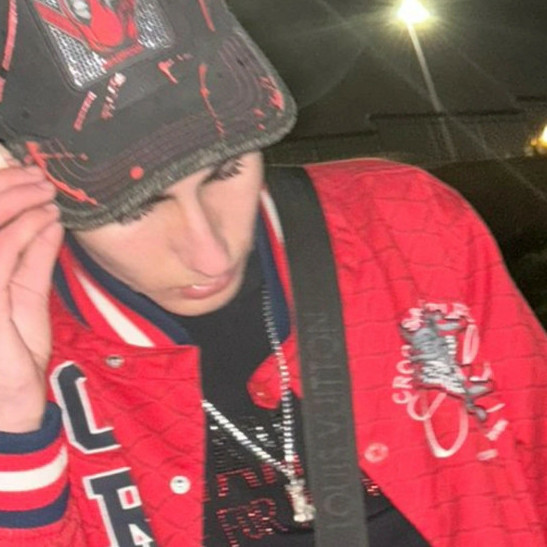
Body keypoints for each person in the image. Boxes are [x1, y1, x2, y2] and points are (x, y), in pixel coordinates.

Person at [0, 1, 545, 546]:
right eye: (133, 208)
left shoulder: (400, 222)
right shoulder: (32, 344)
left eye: (226, 169)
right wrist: (15, 424)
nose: (211, 255)